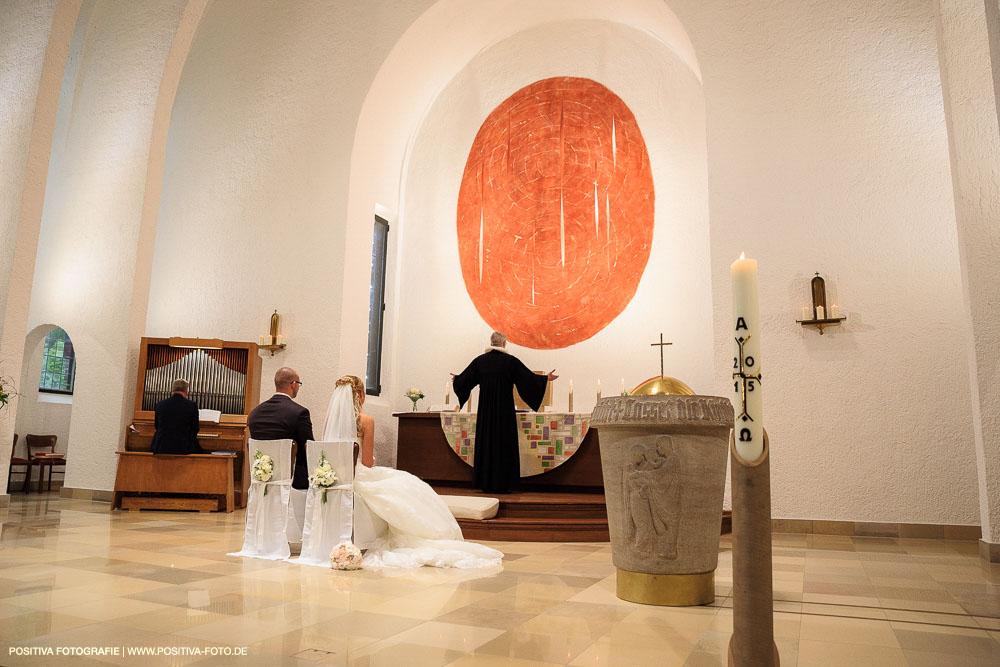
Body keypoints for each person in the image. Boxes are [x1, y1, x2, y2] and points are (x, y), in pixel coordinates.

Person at [323, 374, 502, 569]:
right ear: (360, 395)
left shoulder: (330, 422)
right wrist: (372, 460)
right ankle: (429, 533)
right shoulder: (366, 421)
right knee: (407, 484)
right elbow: (366, 463)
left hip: (335, 477)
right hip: (358, 476)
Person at [451, 331, 557, 493]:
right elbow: (527, 379)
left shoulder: (480, 362)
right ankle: (504, 483)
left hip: (486, 412)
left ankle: (486, 482)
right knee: (504, 443)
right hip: (504, 412)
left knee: (487, 442)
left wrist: (457, 380)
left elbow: (465, 379)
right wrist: (545, 379)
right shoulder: (510, 362)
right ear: (504, 344)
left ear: (491, 343)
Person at [248, 367, 313, 490]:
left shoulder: (255, 413)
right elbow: (308, 447)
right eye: (299, 384)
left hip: (261, 477)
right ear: (293, 384)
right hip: (292, 481)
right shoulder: (299, 412)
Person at [150, 378, 202, 455]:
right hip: (183, 447)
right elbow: (195, 428)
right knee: (200, 452)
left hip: (161, 446)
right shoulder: (191, 405)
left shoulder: (160, 404)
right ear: (186, 391)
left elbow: (157, 426)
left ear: (172, 390)